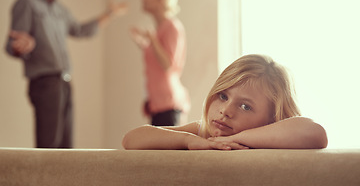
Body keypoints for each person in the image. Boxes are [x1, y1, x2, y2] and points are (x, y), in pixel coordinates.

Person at [4, 0, 127, 148]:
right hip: (44, 83)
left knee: (66, 148)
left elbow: (79, 30)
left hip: (65, 83)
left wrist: (109, 14)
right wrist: (22, 46)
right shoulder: (26, 3)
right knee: (49, 147)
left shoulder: (59, 8)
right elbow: (11, 46)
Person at [122, 54, 328, 150]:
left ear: (272, 119)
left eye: (245, 106)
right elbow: (132, 139)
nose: (225, 111)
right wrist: (187, 140)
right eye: (223, 96)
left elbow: (315, 133)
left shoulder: (276, 138)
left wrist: (242, 138)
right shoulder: (203, 133)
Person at [130, 0, 190, 126]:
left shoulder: (172, 27)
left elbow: (168, 64)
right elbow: (155, 63)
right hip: (156, 105)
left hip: (169, 105)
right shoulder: (159, 29)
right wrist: (143, 43)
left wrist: (152, 40)